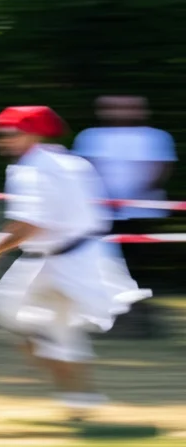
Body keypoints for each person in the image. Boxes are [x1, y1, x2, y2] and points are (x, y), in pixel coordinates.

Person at [0, 106, 151, 419]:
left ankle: (67, 379)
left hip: (57, 261)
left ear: (34, 133)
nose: (1, 140)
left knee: (9, 312)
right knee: (61, 333)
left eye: (9, 133)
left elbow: (30, 224)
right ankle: (81, 401)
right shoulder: (74, 163)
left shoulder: (29, 169)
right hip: (84, 258)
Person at [72, 95, 177, 337]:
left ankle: (143, 324)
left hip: (143, 215)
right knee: (103, 267)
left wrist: (128, 199)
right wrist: (106, 200)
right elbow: (85, 170)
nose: (120, 112)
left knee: (138, 270)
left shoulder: (156, 137)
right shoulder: (90, 137)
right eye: (114, 107)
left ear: (142, 110)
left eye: (128, 107)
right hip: (100, 214)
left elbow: (160, 170)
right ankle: (106, 319)